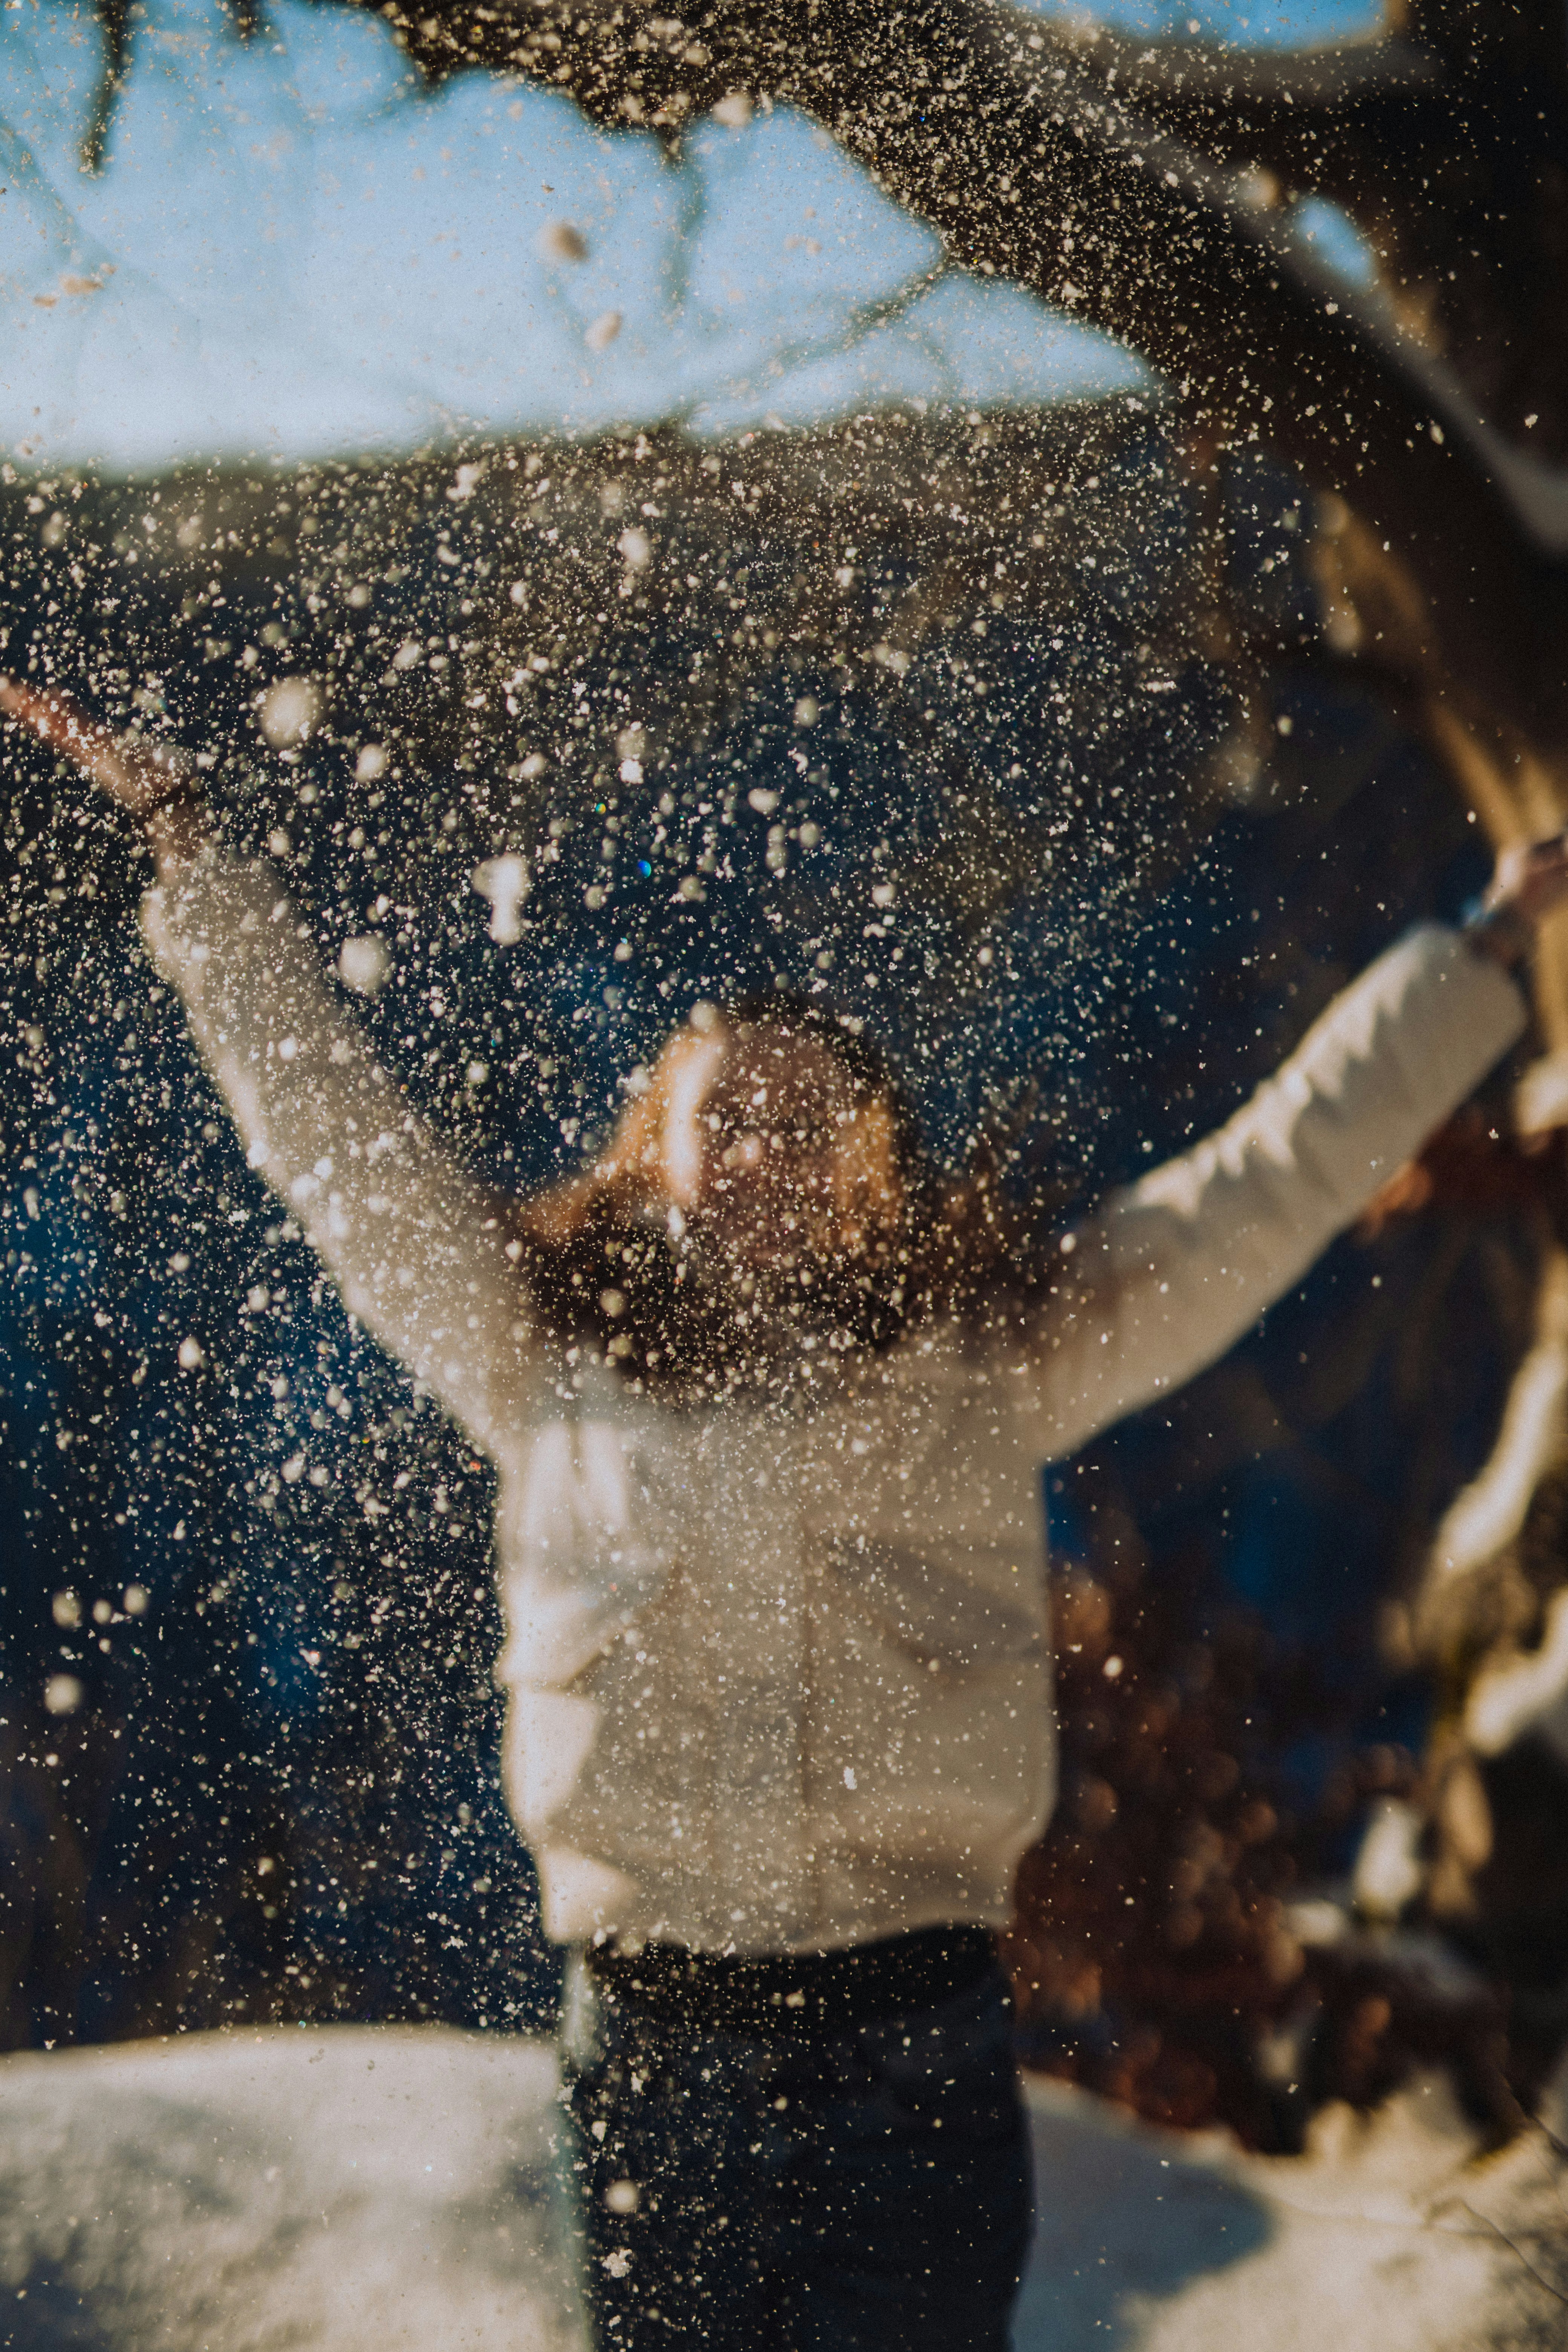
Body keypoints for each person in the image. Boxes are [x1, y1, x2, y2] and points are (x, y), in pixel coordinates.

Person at [3, 669, 1563, 2350]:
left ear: (878, 1170)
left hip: (919, 2051)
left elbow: (1259, 1187)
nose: (766, 1144)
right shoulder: (532, 1357)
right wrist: (190, 851)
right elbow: (334, 1139)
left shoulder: (994, 1358)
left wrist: (1469, 965)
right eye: (721, 1115)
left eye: (812, 1119)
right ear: (644, 1154)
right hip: (655, 2061)